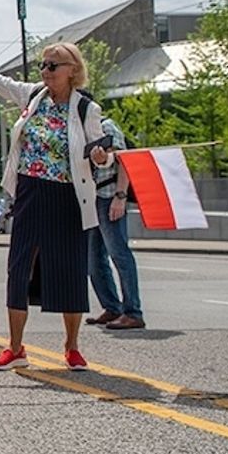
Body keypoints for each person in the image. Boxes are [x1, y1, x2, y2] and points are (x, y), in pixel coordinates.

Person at [0, 43, 111, 371]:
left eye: (53, 66)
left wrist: (101, 158)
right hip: (30, 192)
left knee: (70, 270)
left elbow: (100, 151)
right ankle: (16, 348)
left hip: (68, 196)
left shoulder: (86, 109)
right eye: (43, 65)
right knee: (19, 269)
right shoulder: (34, 96)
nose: (45, 71)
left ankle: (72, 347)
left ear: (72, 71)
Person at [86, 115, 145, 330]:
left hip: (109, 196)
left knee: (119, 254)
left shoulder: (106, 126)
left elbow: (125, 162)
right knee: (93, 260)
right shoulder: (80, 129)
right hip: (90, 200)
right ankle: (112, 307)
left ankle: (133, 312)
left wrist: (120, 196)